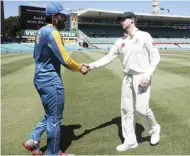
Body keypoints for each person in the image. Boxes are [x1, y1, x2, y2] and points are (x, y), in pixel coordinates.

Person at [84, 12, 161, 151]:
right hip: (127, 78)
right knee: (126, 111)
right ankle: (130, 141)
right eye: (120, 20)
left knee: (141, 110)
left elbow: (156, 58)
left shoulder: (144, 36)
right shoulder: (120, 41)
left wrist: (147, 76)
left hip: (142, 77)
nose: (121, 22)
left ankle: (154, 129)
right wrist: (90, 66)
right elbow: (108, 58)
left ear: (132, 20)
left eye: (123, 19)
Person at [23, 2, 89, 155]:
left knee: (50, 114)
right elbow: (65, 59)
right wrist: (80, 68)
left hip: (39, 77)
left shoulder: (41, 31)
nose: (64, 17)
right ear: (54, 17)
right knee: (55, 119)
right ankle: (53, 152)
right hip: (51, 80)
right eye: (61, 15)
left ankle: (33, 140)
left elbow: (35, 55)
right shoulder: (53, 32)